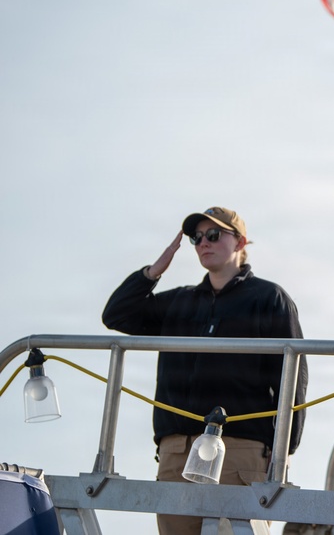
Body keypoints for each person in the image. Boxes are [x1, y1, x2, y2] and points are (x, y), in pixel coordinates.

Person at [103, 207, 308, 535]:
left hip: (241, 450)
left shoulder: (270, 298)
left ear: (240, 242)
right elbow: (117, 315)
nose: (203, 243)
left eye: (214, 235)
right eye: (196, 238)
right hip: (177, 452)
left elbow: (293, 377)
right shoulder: (179, 302)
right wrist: (154, 271)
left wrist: (285, 451)